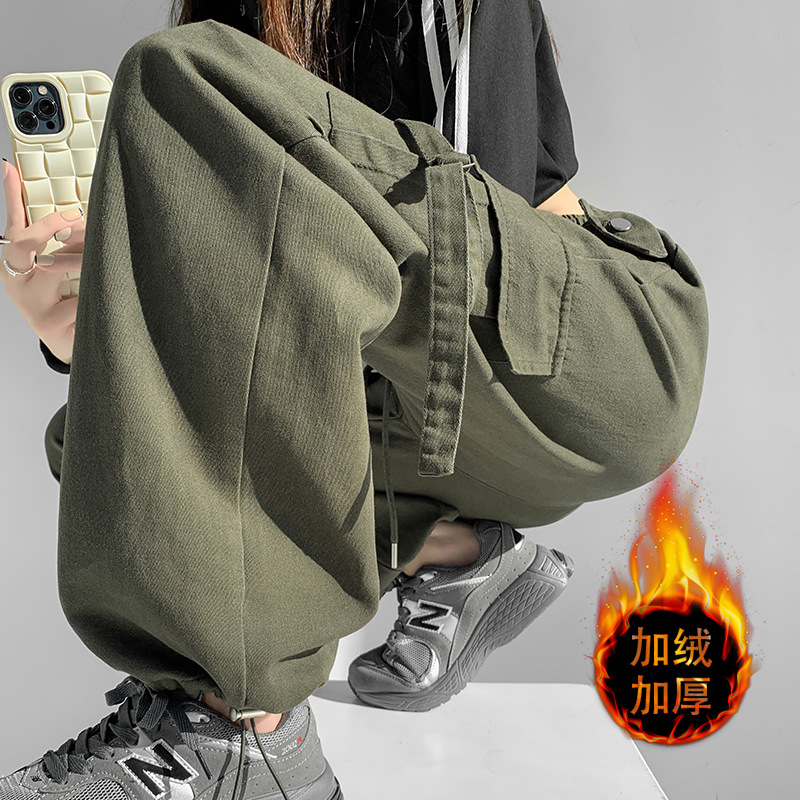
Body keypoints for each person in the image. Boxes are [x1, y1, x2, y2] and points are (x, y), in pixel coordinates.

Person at [0, 2, 709, 799]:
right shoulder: (233, 27)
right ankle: (450, 550)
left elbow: (475, 225)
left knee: (184, 77)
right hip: (443, 414)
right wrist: (85, 330)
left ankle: (238, 735)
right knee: (104, 438)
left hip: (591, 357)